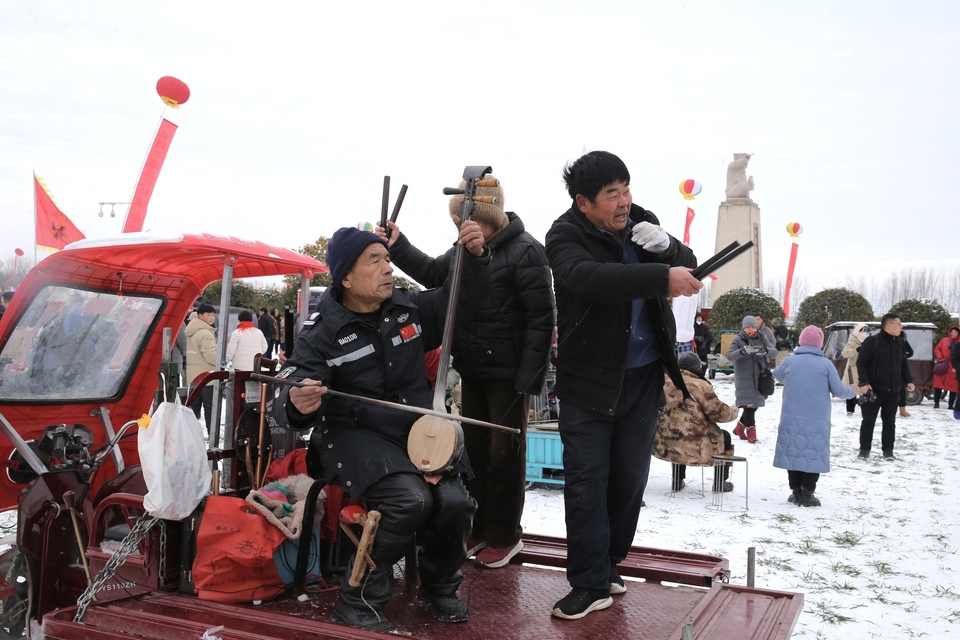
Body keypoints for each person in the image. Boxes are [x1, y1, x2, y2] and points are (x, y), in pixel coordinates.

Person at [271, 223, 487, 633]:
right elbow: (288, 391)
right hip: (353, 436)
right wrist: (296, 400)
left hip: (417, 430)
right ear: (346, 277)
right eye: (376, 260)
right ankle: (358, 599)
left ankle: (439, 586)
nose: (389, 268)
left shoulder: (410, 309)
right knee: (410, 499)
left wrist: (474, 258)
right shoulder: (322, 333)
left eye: (388, 259)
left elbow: (463, 298)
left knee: (456, 502)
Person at [544, 150, 701, 620]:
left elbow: (689, 265)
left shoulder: (642, 223)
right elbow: (588, 278)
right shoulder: (564, 234)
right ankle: (589, 582)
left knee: (629, 479)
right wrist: (659, 272)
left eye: (626, 189)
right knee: (586, 481)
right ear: (584, 202)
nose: (624, 202)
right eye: (612, 193)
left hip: (644, 375)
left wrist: (668, 245)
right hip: (589, 381)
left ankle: (607, 565)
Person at [380, 175, 555, 569]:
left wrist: (530, 378)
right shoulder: (462, 249)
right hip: (472, 367)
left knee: (504, 452)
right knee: (473, 451)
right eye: (457, 217)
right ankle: (481, 526)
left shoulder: (528, 251)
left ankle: (506, 535)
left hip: (509, 374)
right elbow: (433, 275)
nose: (458, 224)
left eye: (463, 215)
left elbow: (542, 319)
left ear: (485, 213)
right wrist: (399, 245)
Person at [772, 325, 856, 507]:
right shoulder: (826, 364)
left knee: (793, 451)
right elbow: (839, 391)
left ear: (801, 342)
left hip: (791, 416)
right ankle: (808, 493)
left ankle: (795, 492)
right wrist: (854, 391)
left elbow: (775, 376)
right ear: (820, 344)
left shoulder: (789, 360)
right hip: (817, 418)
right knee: (813, 452)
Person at [653, 352, 738, 494]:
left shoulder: (664, 380)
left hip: (666, 438)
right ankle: (720, 482)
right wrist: (734, 410)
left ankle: (677, 480)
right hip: (695, 441)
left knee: (678, 432)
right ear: (696, 367)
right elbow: (720, 414)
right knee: (725, 437)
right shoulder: (701, 386)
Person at [856, 313, 914, 460]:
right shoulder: (872, 341)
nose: (901, 327)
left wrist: (909, 380)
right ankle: (864, 450)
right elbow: (861, 362)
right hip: (873, 390)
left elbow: (903, 363)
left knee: (890, 422)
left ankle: (888, 450)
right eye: (899, 324)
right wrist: (864, 383)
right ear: (889, 325)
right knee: (868, 421)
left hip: (894, 390)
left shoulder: (900, 342)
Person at [727, 315, 776, 444]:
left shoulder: (761, 337)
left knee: (754, 405)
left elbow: (774, 351)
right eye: (748, 328)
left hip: (760, 377)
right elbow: (730, 356)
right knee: (749, 405)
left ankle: (739, 428)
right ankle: (751, 432)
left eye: (753, 327)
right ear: (743, 328)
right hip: (744, 378)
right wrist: (742, 351)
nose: (750, 330)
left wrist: (765, 351)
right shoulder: (738, 339)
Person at [186, 303, 218, 434]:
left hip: (193, 377)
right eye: (208, 315)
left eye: (213, 315)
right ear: (200, 316)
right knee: (210, 408)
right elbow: (210, 356)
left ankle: (191, 436)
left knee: (193, 409)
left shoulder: (191, 331)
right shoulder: (206, 333)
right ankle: (212, 436)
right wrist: (221, 360)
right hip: (206, 377)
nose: (211, 318)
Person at [841, 323, 870, 415]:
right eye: (862, 330)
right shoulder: (852, 341)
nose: (864, 332)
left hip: (863, 369)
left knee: (864, 389)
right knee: (851, 389)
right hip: (852, 370)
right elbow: (844, 353)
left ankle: (865, 409)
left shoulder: (867, 341)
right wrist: (855, 350)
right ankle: (850, 410)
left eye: (866, 330)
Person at [933, 326, 959, 409]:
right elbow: (937, 349)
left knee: (953, 386)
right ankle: (936, 403)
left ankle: (950, 405)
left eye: (955, 332)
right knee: (938, 385)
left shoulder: (958, 343)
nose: (953, 333)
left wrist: (957, 366)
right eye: (952, 332)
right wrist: (940, 357)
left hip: (953, 367)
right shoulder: (944, 340)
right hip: (943, 365)